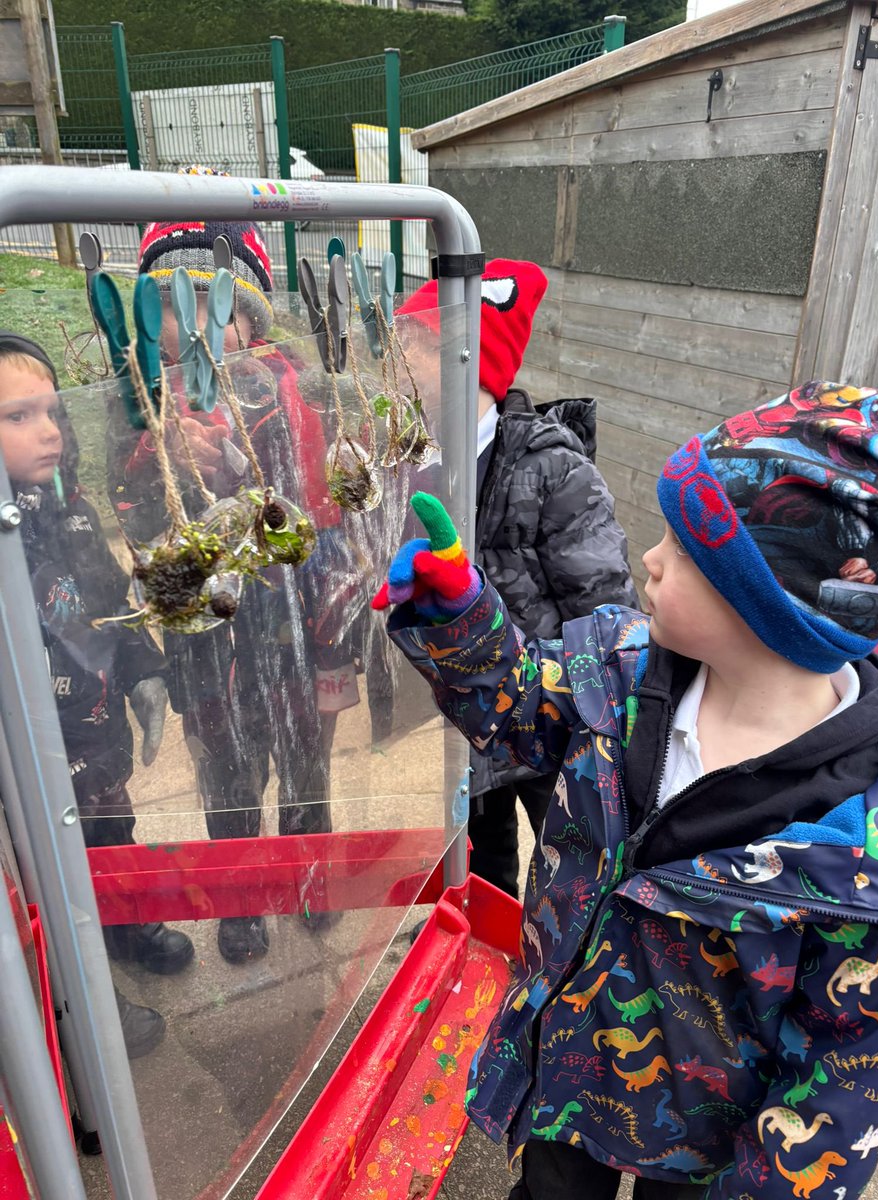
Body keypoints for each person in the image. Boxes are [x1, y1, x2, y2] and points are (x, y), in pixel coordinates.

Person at [374, 380, 878, 1200]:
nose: (651, 560)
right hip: (572, 1063)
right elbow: (516, 703)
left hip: (708, 1142)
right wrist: (461, 614)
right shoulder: (615, 667)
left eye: (686, 553)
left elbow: (845, 1071)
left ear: (770, 606)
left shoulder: (868, 844)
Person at [108, 210, 355, 963]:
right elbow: (139, 525)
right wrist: (164, 461)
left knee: (307, 757)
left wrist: (265, 474)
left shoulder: (288, 390)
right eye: (170, 310)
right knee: (225, 769)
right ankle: (241, 896)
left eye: (211, 306)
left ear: (250, 321)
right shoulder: (144, 405)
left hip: (302, 619)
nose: (193, 328)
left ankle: (308, 872)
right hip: (210, 643)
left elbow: (322, 508)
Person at [397, 260, 637, 897]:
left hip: (539, 703)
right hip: (462, 702)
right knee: (480, 845)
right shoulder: (412, 455)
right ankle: (485, 936)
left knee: (570, 849)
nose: (400, 356)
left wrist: (585, 715)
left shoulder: (554, 471)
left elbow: (605, 607)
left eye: (416, 342)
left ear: (465, 360)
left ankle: (561, 949)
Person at [0, 331, 194, 1058]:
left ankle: (123, 922)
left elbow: (112, 596)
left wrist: (144, 667)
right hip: (32, 750)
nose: (47, 429)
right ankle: (76, 1002)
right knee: (53, 872)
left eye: (52, 411)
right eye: (18, 417)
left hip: (94, 729)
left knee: (112, 831)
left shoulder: (68, 505)